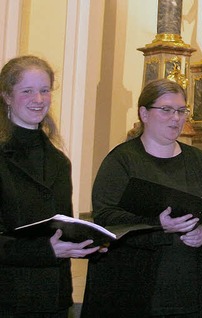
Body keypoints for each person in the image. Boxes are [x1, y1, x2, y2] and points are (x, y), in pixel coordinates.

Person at [81, 79, 202, 317]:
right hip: (133, 291)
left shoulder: (199, 162)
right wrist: (158, 225)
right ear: (144, 113)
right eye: (166, 110)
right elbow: (106, 216)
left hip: (191, 293)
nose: (176, 118)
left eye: (181, 110)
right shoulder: (121, 161)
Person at [0, 55, 102, 316]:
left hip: (52, 297)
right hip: (9, 296)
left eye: (45, 90)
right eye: (28, 91)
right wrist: (44, 250)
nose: (38, 99)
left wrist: (88, 242)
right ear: (7, 96)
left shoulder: (59, 161)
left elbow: (62, 227)